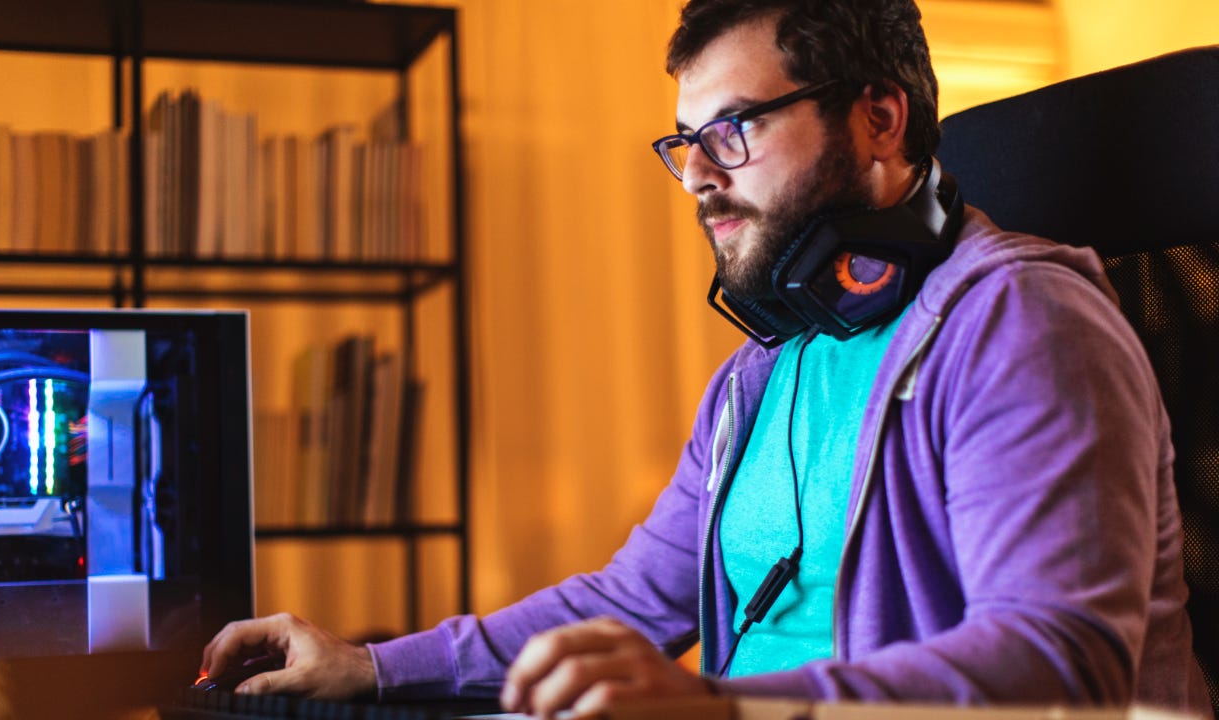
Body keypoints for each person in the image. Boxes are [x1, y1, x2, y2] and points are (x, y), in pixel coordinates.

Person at [202, 0, 1212, 717]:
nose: (692, 177)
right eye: (680, 142)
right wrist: (369, 667)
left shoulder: (1019, 321)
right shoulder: (763, 372)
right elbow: (625, 602)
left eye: (730, 131)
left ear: (876, 117)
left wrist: (712, 706)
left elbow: (1059, 664)